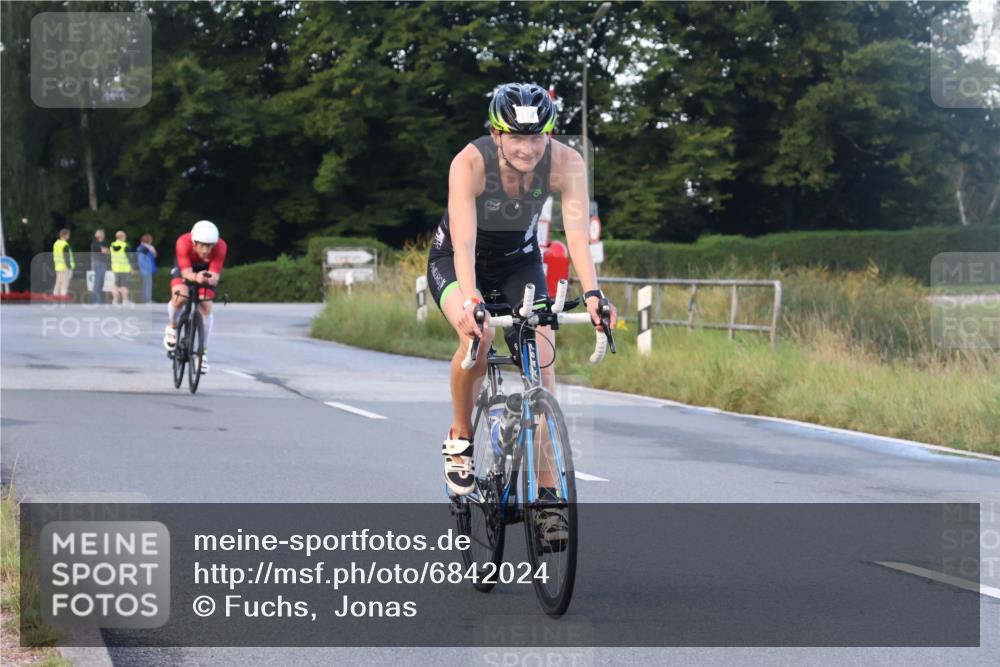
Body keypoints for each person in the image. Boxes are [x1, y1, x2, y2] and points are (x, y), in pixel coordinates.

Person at [426, 82, 617, 501]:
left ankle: (548, 497)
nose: (527, 148)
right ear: (496, 134)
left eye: (535, 137)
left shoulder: (567, 163)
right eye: (515, 137)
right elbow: (463, 245)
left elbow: (579, 239)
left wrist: (594, 296)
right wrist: (472, 303)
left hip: (519, 263)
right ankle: (459, 439)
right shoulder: (469, 163)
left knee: (543, 369)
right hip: (458, 261)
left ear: (548, 135)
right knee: (479, 335)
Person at [163, 220, 227, 374]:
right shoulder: (183, 243)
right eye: (202, 245)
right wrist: (195, 276)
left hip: (204, 270)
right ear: (194, 242)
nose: (206, 250)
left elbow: (215, 274)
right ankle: (172, 326)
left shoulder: (220, 246)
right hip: (185, 267)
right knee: (181, 296)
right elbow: (185, 273)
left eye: (209, 246)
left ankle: (202, 353)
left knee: (206, 306)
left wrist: (211, 278)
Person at [109, 230, 133, 305]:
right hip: (124, 268)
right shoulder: (125, 245)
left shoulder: (112, 245)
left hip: (115, 268)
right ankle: (125, 300)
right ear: (122, 237)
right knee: (124, 285)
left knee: (115, 285)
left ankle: (115, 300)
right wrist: (132, 267)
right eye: (124, 236)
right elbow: (129, 258)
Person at [51, 228, 74, 297]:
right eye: (68, 234)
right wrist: (69, 266)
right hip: (65, 266)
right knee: (65, 282)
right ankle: (63, 296)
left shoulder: (56, 243)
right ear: (65, 235)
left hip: (58, 266)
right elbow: (66, 256)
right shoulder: (65, 244)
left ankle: (55, 295)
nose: (69, 236)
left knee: (58, 282)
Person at [136, 233, 158, 303]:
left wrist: (153, 250)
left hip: (148, 269)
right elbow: (141, 260)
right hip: (146, 270)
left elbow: (153, 256)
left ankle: (146, 299)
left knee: (147, 285)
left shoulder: (148, 247)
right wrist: (147, 268)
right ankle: (147, 300)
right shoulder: (142, 248)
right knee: (147, 285)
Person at [90, 229, 109, 304]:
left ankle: (99, 301)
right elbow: (104, 251)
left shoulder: (104, 243)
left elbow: (107, 251)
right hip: (98, 264)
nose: (103, 235)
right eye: (102, 234)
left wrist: (106, 250)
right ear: (100, 235)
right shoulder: (95, 243)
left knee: (101, 282)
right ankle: (95, 301)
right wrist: (105, 250)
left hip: (103, 264)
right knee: (97, 283)